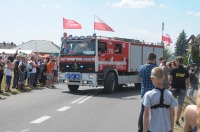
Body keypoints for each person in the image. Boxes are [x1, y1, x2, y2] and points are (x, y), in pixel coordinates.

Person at [143, 67, 178, 132]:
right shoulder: (169, 94)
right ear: (164, 78)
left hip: (152, 128)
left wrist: (144, 130)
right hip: (166, 128)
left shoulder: (148, 95)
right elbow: (172, 114)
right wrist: (172, 128)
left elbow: (146, 115)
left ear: (152, 78)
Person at [138, 52, 157, 132]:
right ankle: (150, 129)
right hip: (153, 93)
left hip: (143, 92)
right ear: (154, 59)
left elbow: (140, 75)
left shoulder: (141, 68)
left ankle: (140, 129)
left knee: (143, 112)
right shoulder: (155, 68)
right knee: (152, 112)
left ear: (147, 59)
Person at [168, 56, 190, 126]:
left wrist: (172, 81)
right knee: (180, 105)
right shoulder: (185, 71)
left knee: (172, 104)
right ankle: (177, 120)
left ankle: (171, 118)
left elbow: (169, 78)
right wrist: (186, 89)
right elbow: (188, 81)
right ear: (182, 61)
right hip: (182, 89)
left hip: (174, 89)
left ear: (177, 61)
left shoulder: (173, 69)